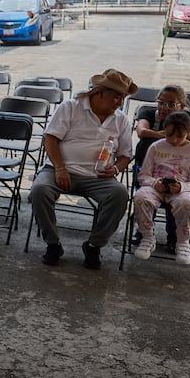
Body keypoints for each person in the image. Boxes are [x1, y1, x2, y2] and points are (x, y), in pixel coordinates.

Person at [28, 69, 138, 270]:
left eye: (123, 98)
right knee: (39, 190)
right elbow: (50, 138)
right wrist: (60, 168)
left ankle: (94, 245)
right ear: (100, 92)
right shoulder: (71, 107)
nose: (120, 103)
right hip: (59, 170)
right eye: (116, 97)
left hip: (98, 176)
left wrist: (115, 169)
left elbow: (125, 155)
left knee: (120, 194)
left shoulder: (121, 119)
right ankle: (53, 244)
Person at [131, 84, 190, 249]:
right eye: (161, 102)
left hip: (180, 170)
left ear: (182, 107)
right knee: (145, 191)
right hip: (149, 169)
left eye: (171, 104)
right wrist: (165, 137)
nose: (164, 107)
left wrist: (157, 136)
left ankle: (175, 235)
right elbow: (141, 131)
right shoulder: (148, 112)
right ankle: (144, 230)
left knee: (178, 194)